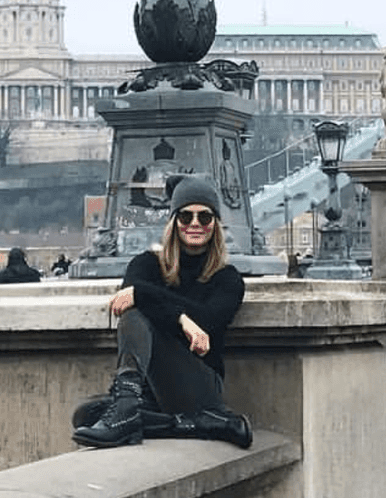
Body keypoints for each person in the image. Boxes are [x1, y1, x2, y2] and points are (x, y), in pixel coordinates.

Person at [71, 175, 251, 450]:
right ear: (173, 222)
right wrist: (181, 318)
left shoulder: (227, 279)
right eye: (185, 216)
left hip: (200, 385)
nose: (194, 224)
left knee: (137, 311)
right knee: (85, 415)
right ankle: (198, 424)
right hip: (152, 390)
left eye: (204, 217)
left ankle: (128, 411)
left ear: (215, 224)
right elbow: (124, 298)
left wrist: (146, 296)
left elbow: (207, 323)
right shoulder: (146, 264)